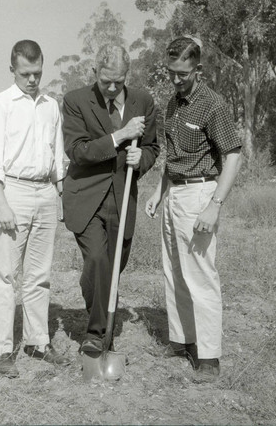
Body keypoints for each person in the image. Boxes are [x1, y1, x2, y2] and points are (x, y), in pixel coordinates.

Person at [145, 36, 242, 382]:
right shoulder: (173, 103)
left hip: (201, 196)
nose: (176, 79)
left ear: (198, 69)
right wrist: (159, 192)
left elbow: (232, 154)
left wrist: (215, 205)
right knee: (174, 272)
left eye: (183, 74)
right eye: (171, 72)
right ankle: (182, 340)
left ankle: (209, 358)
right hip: (174, 195)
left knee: (201, 276)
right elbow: (171, 156)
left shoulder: (213, 104)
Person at [62, 44, 159, 353]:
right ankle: (95, 335)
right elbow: (77, 150)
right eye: (106, 81)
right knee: (97, 260)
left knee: (112, 268)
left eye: (119, 80)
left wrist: (140, 158)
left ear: (127, 74)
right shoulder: (76, 101)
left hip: (122, 199)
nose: (113, 87)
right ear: (95, 73)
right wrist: (120, 136)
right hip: (86, 198)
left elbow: (153, 148)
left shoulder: (143, 101)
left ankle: (95, 300)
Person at [0, 39, 70, 378]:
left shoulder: (51, 105)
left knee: (39, 275)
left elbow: (57, 154)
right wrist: (0, 202)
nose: (32, 80)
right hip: (11, 191)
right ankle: (3, 350)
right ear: (12, 70)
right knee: (5, 276)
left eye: (37, 73)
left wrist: (60, 195)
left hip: (45, 191)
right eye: (25, 74)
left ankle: (37, 341)